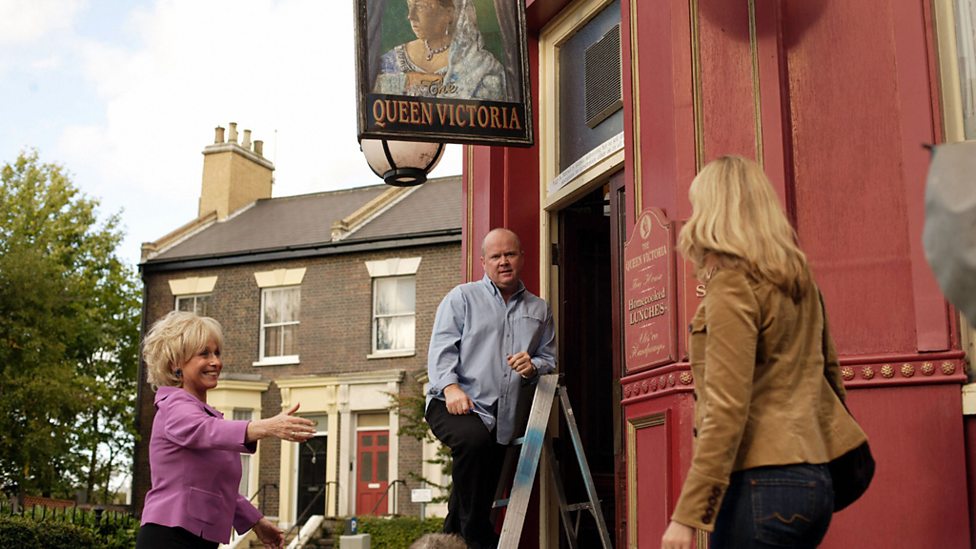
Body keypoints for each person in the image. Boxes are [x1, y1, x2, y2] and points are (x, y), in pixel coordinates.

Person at [661, 156, 869, 549]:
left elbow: (726, 407)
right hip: (814, 481)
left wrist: (688, 516)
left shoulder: (731, 287)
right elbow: (831, 379)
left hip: (761, 483)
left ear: (713, 213)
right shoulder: (799, 280)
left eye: (697, 206)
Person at [136, 311, 317, 549]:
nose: (216, 362)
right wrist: (266, 426)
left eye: (217, 353)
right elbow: (203, 429)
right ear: (175, 363)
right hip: (170, 536)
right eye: (204, 354)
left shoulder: (202, 412)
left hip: (196, 538)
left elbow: (218, 487)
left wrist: (257, 522)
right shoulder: (174, 405)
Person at [425, 228, 556, 548]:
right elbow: (440, 351)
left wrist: (534, 366)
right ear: (483, 262)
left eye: (510, 254)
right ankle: (477, 534)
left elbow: (548, 358)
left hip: (503, 418)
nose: (504, 262)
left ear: (522, 257)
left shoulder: (539, 309)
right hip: (450, 403)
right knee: (473, 443)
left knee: (477, 482)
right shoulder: (462, 297)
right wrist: (452, 388)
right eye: (495, 256)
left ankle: (451, 539)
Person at [373, 0, 509, 101]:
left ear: (449, 14)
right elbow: (375, 92)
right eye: (410, 6)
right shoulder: (393, 59)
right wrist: (413, 79)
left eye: (420, 6)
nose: (411, 16)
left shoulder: (481, 65)